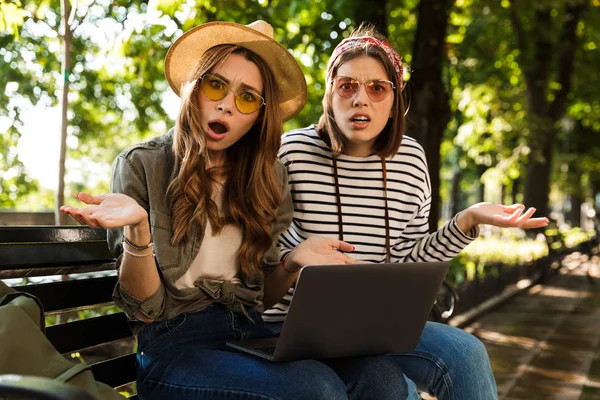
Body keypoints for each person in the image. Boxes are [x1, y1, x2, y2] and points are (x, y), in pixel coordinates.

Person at [60, 20, 412, 400]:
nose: (227, 103)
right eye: (216, 85)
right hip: (174, 347)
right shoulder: (142, 165)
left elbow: (261, 297)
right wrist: (139, 230)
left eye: (247, 98)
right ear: (194, 88)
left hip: (250, 333)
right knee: (316, 389)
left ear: (258, 116)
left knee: (382, 378)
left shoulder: (268, 177)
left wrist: (293, 263)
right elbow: (145, 311)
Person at [263, 23, 549, 400]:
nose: (360, 99)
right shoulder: (290, 151)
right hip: (292, 326)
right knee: (394, 389)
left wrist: (468, 221)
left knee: (466, 352)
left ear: (395, 99)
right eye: (347, 85)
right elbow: (268, 252)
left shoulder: (411, 159)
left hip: (377, 324)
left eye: (377, 88)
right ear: (330, 93)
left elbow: (406, 257)